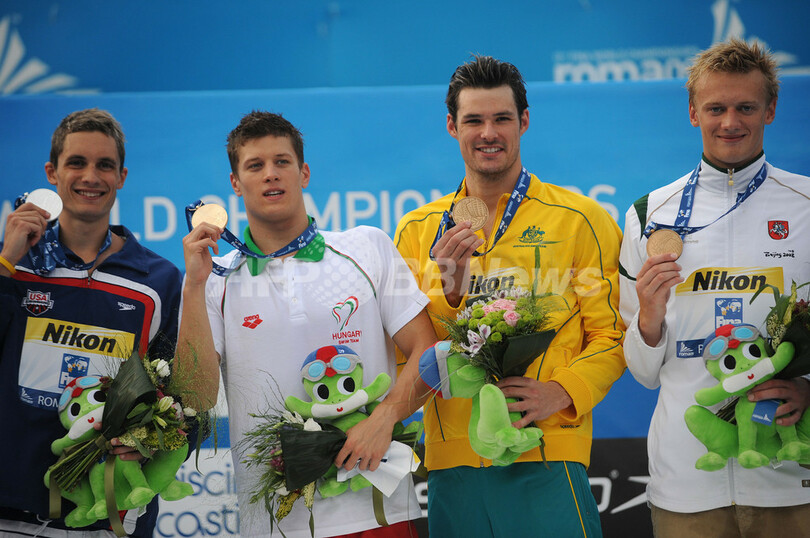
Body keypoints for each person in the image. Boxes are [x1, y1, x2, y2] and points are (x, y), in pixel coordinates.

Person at [393, 55, 626, 537]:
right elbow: (405, 354)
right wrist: (451, 290)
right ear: (452, 126)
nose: (488, 133)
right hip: (452, 466)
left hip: (547, 452)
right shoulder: (416, 230)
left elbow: (614, 335)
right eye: (473, 120)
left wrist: (561, 392)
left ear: (524, 121)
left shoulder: (581, 219)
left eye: (501, 118)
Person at [178, 110, 436, 537]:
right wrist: (193, 285)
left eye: (282, 161)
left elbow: (428, 352)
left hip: (378, 510)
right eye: (255, 166)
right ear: (236, 184)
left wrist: (385, 417)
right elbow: (195, 396)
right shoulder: (214, 280)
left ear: (304, 173)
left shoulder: (366, 248)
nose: (270, 174)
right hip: (274, 524)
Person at [619, 39, 810, 537]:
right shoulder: (648, 215)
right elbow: (641, 372)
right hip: (687, 483)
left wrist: (808, 388)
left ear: (770, 109)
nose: (730, 122)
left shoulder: (806, 205)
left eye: (746, 107)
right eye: (715, 108)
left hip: (790, 481)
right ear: (692, 112)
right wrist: (649, 317)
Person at [0, 108, 183, 536]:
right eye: (76, 163)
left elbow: (181, 398)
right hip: (11, 508)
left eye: (104, 165)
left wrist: (148, 445)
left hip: (110, 513)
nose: (90, 177)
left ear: (121, 176)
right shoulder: (13, 263)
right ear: (52, 172)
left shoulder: (159, 281)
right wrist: (6, 262)